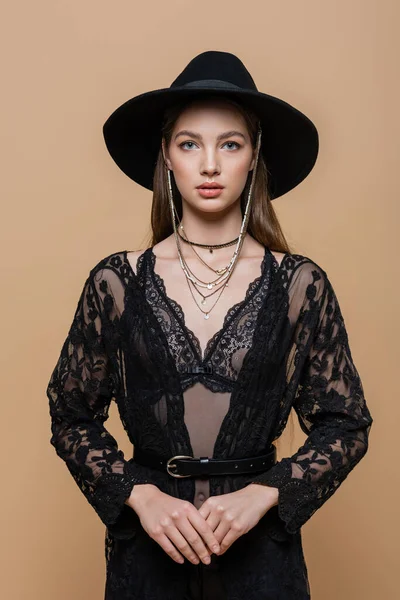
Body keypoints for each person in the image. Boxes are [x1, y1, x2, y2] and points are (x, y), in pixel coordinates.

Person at [46, 51, 373, 600]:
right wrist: (140, 497)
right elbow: (70, 415)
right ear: (167, 158)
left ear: (253, 157)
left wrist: (264, 494)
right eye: (190, 144)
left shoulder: (299, 286)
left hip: (261, 553)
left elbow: (347, 424)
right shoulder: (115, 281)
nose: (210, 165)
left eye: (231, 144)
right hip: (149, 554)